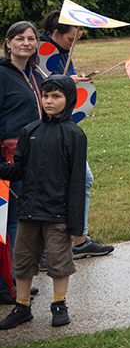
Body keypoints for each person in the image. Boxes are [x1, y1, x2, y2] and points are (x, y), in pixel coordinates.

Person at [0, 75, 86, 329]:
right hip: (28, 210)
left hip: (58, 213)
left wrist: (75, 223)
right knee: (23, 261)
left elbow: (77, 181)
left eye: (56, 96)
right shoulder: (30, 131)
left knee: (59, 263)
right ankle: (22, 306)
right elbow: (19, 170)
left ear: (68, 99)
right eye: (45, 96)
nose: (49, 101)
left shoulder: (74, 134)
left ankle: (59, 304)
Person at [36, 13, 114, 259]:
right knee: (52, 186)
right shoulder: (41, 53)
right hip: (47, 130)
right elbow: (42, 88)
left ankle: (79, 240)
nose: (73, 43)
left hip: (64, 127)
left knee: (83, 178)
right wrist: (67, 82)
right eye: (71, 38)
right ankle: (46, 249)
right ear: (55, 34)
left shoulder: (61, 52)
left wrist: (76, 81)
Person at [0, 22, 43, 304]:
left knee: (21, 219)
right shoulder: (3, 74)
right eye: (19, 38)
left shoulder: (34, 73)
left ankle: (17, 281)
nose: (26, 43)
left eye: (31, 38)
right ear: (8, 43)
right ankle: (7, 284)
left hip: (31, 155)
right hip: (8, 157)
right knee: (8, 221)